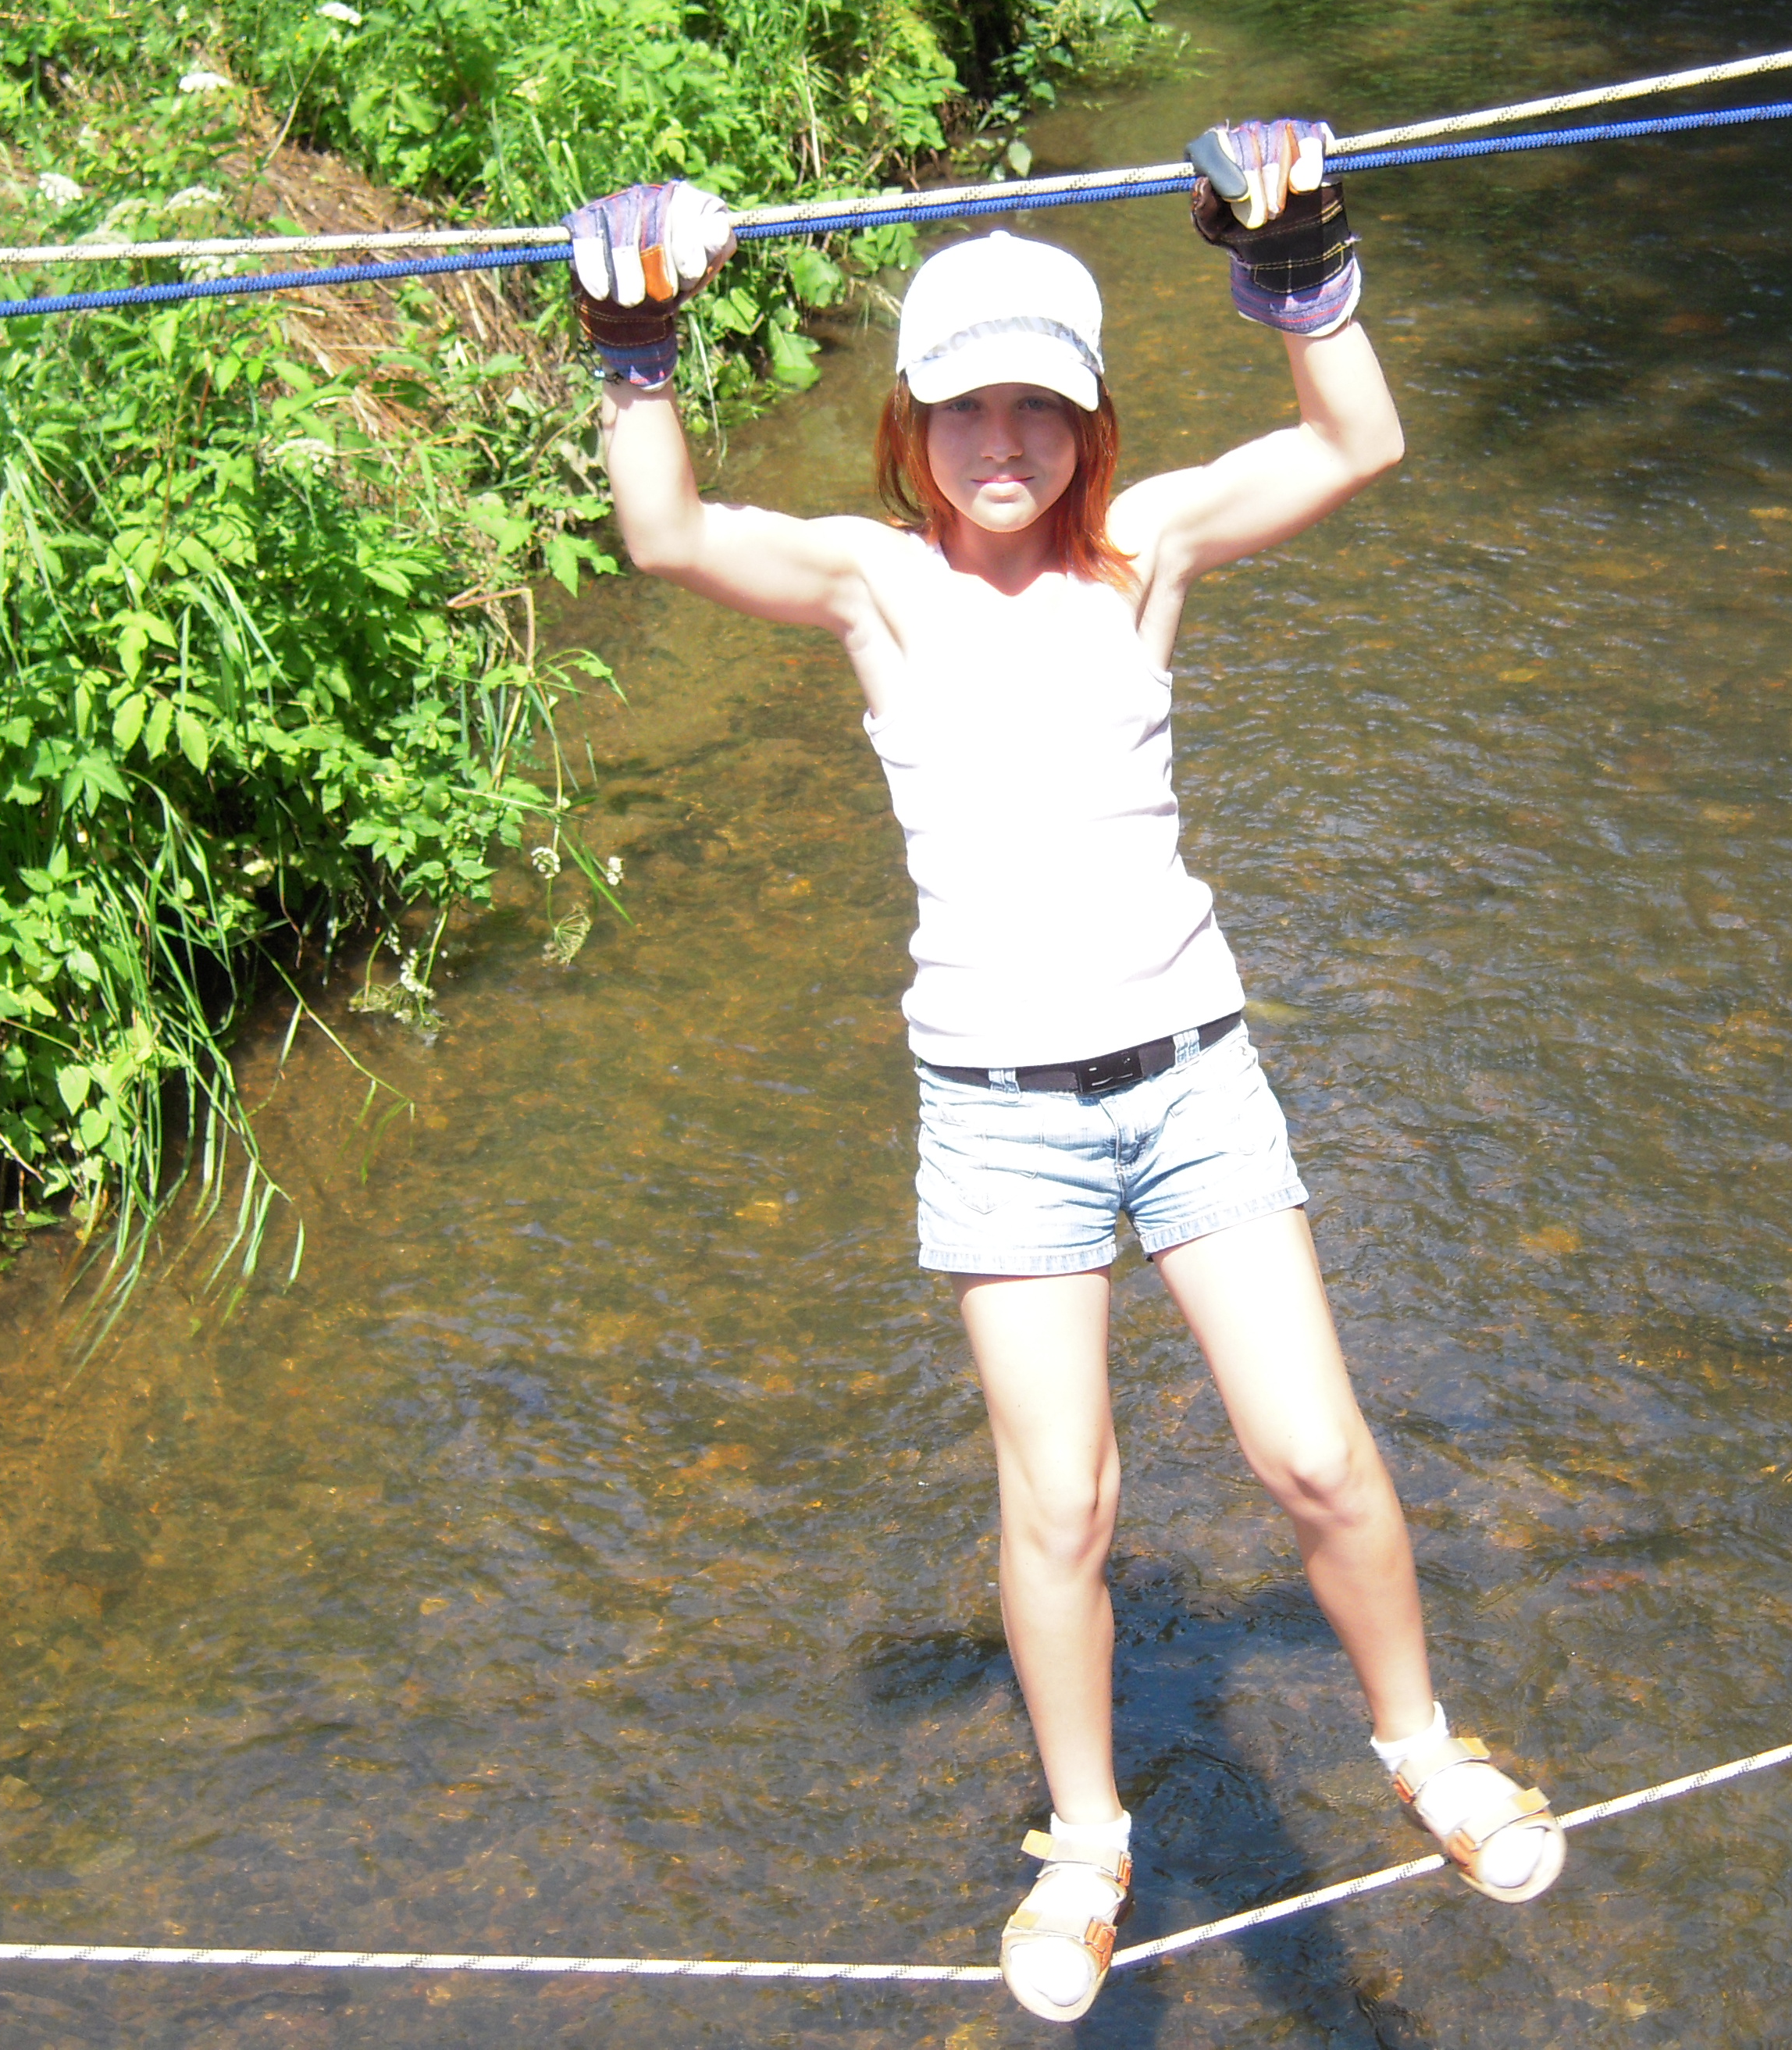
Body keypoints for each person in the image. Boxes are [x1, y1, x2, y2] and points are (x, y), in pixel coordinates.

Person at [565, 118, 1563, 2025]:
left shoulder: (1143, 548)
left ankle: (1423, 1748)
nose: (1002, 442)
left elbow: (1359, 442)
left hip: (1193, 1079)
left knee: (1315, 1454)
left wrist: (1298, 270)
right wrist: (635, 347)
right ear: (911, 423)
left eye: (1039, 405)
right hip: (1002, 1117)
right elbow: (666, 534)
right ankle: (1091, 1844)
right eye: (965, 407)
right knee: (1065, 1506)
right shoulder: (871, 584)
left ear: (1091, 417)